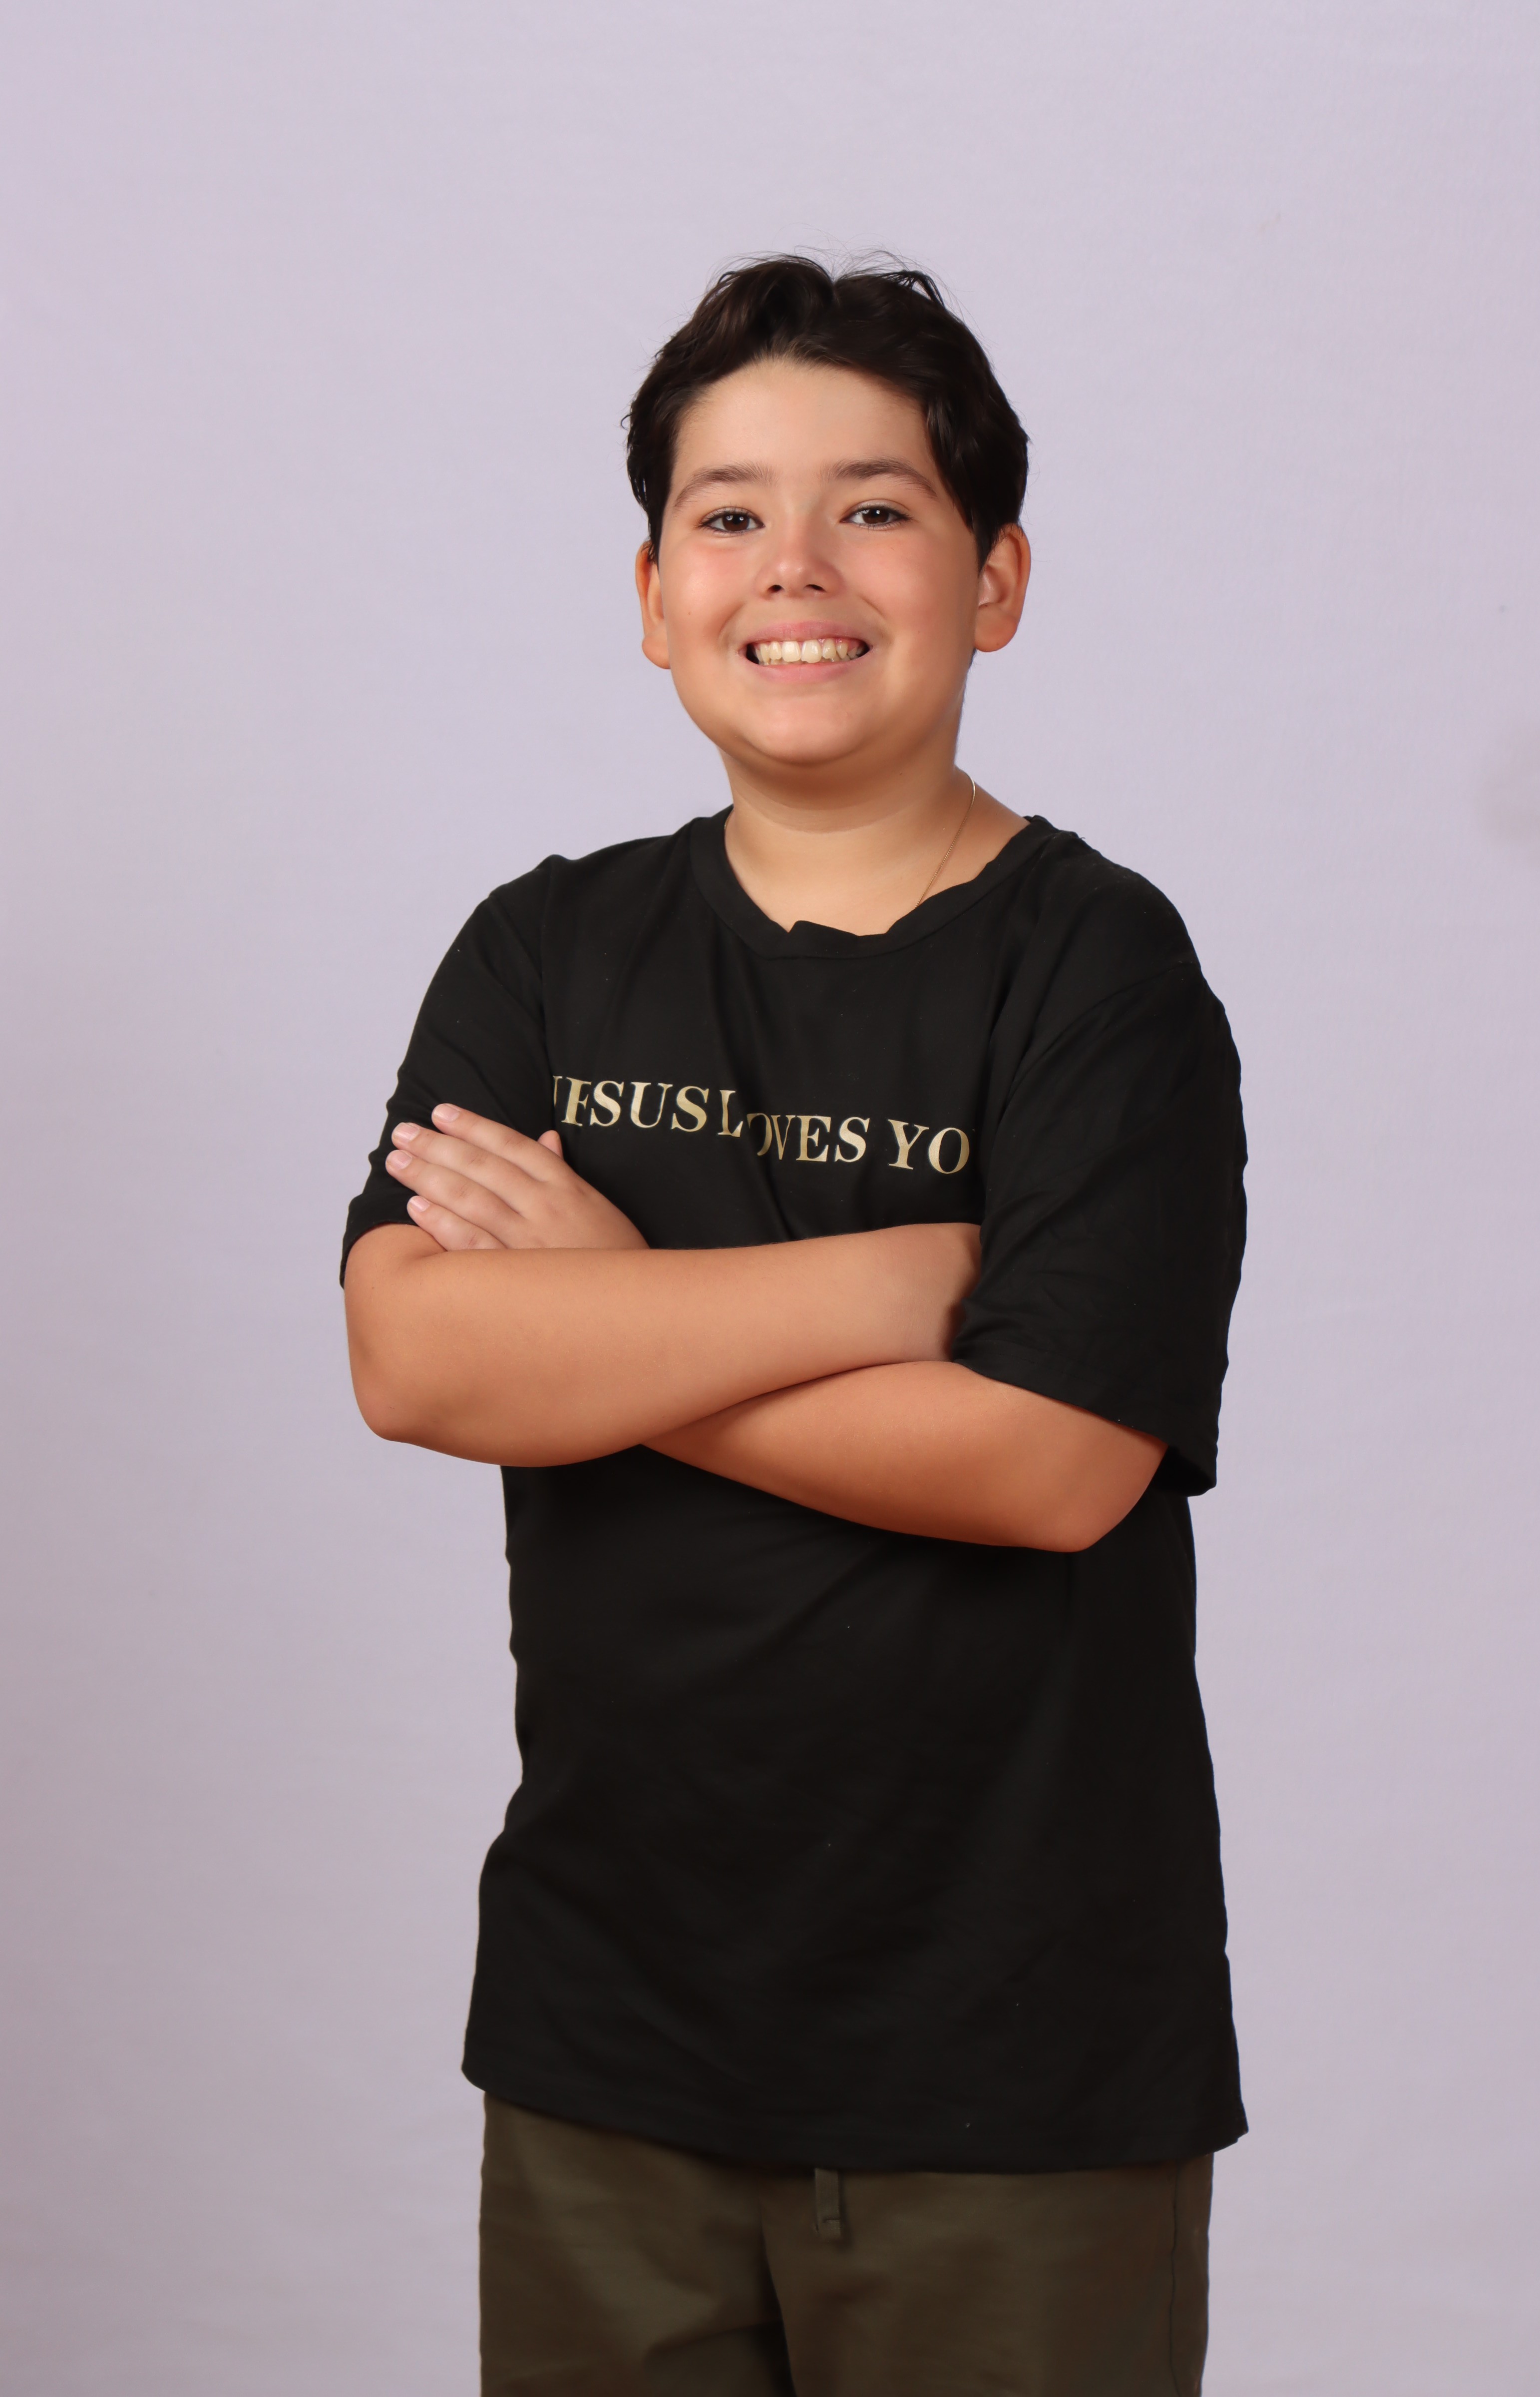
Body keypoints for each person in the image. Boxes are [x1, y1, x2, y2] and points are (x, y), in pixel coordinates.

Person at [342, 256, 1247, 2397]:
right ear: (654, 593)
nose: (796, 568)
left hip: (1014, 2070)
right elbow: (416, 1363)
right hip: (606, 2040)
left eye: (875, 508)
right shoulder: (545, 953)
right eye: (729, 513)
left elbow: (1048, 1464)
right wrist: (882, 1282)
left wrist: (600, 1328)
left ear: (991, 579)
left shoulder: (1098, 974)